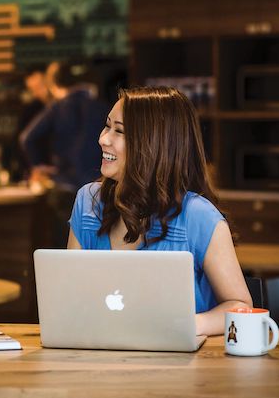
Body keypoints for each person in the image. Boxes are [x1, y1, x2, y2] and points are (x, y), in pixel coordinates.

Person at [67, 86, 252, 336]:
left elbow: (241, 307)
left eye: (119, 131)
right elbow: (69, 299)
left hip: (184, 367)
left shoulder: (199, 215)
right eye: (107, 126)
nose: (103, 139)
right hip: (101, 357)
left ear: (154, 144)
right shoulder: (88, 202)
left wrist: (188, 325)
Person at [21, 60, 108, 246]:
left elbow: (27, 138)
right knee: (94, 245)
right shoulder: (102, 107)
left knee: (65, 246)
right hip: (98, 188)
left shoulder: (58, 107)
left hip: (64, 187)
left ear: (57, 84)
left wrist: (40, 165)